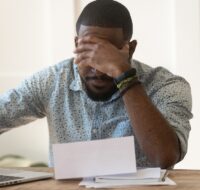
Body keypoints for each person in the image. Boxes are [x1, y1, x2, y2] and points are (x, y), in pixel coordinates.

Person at [0, 0, 192, 168]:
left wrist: (124, 75)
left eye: (108, 55)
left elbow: (164, 157)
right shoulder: (52, 81)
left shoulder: (166, 86)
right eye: (89, 51)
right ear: (77, 45)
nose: (98, 70)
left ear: (130, 49)